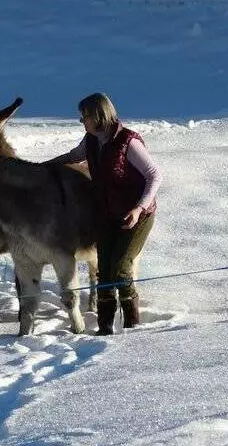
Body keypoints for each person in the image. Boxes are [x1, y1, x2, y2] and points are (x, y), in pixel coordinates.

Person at [43, 93, 162, 335]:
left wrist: (139, 209)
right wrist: (41, 168)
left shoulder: (128, 142)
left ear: (99, 115)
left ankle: (132, 324)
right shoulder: (91, 141)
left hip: (136, 215)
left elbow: (155, 175)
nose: (82, 121)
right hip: (107, 215)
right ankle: (105, 328)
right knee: (104, 271)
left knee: (121, 267)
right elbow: (72, 157)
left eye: (84, 116)